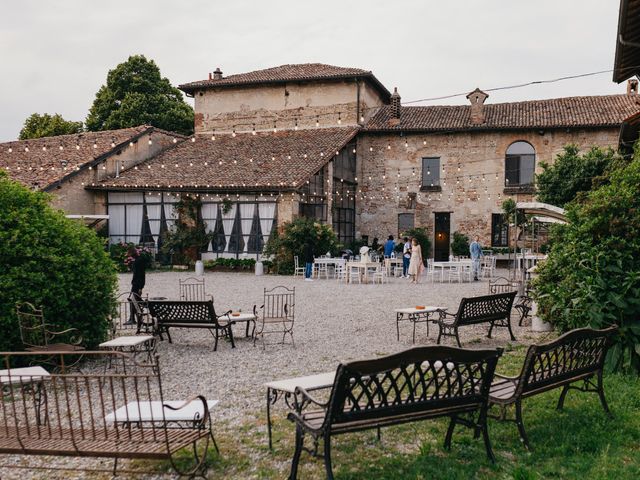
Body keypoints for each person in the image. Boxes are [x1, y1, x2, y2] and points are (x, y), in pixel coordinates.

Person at [126, 246, 146, 325]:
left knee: (133, 300)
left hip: (137, 284)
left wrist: (140, 287)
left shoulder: (138, 261)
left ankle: (132, 318)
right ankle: (133, 318)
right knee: (135, 300)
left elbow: (141, 275)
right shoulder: (138, 260)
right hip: (136, 284)